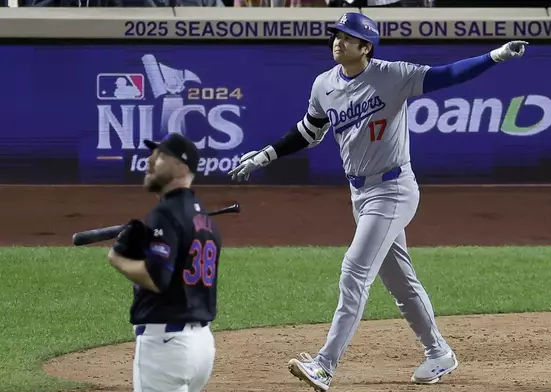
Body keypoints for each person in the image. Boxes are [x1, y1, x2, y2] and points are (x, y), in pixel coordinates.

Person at [227, 12, 527, 392]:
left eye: (348, 38)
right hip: (360, 194)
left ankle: (324, 365)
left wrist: (495, 56)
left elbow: (446, 75)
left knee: (354, 269)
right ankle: (439, 352)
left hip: (394, 189)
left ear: (366, 47)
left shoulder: (392, 75)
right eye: (336, 35)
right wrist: (265, 155)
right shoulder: (324, 84)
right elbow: (308, 131)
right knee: (400, 282)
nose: (338, 42)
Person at [107, 133, 221, 392]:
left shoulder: (165, 213)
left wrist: (118, 258)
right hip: (201, 346)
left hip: (166, 346)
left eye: (159, 156)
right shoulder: (204, 219)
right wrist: (143, 250)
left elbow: (156, 279)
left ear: (181, 166)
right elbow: (176, 272)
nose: (149, 161)